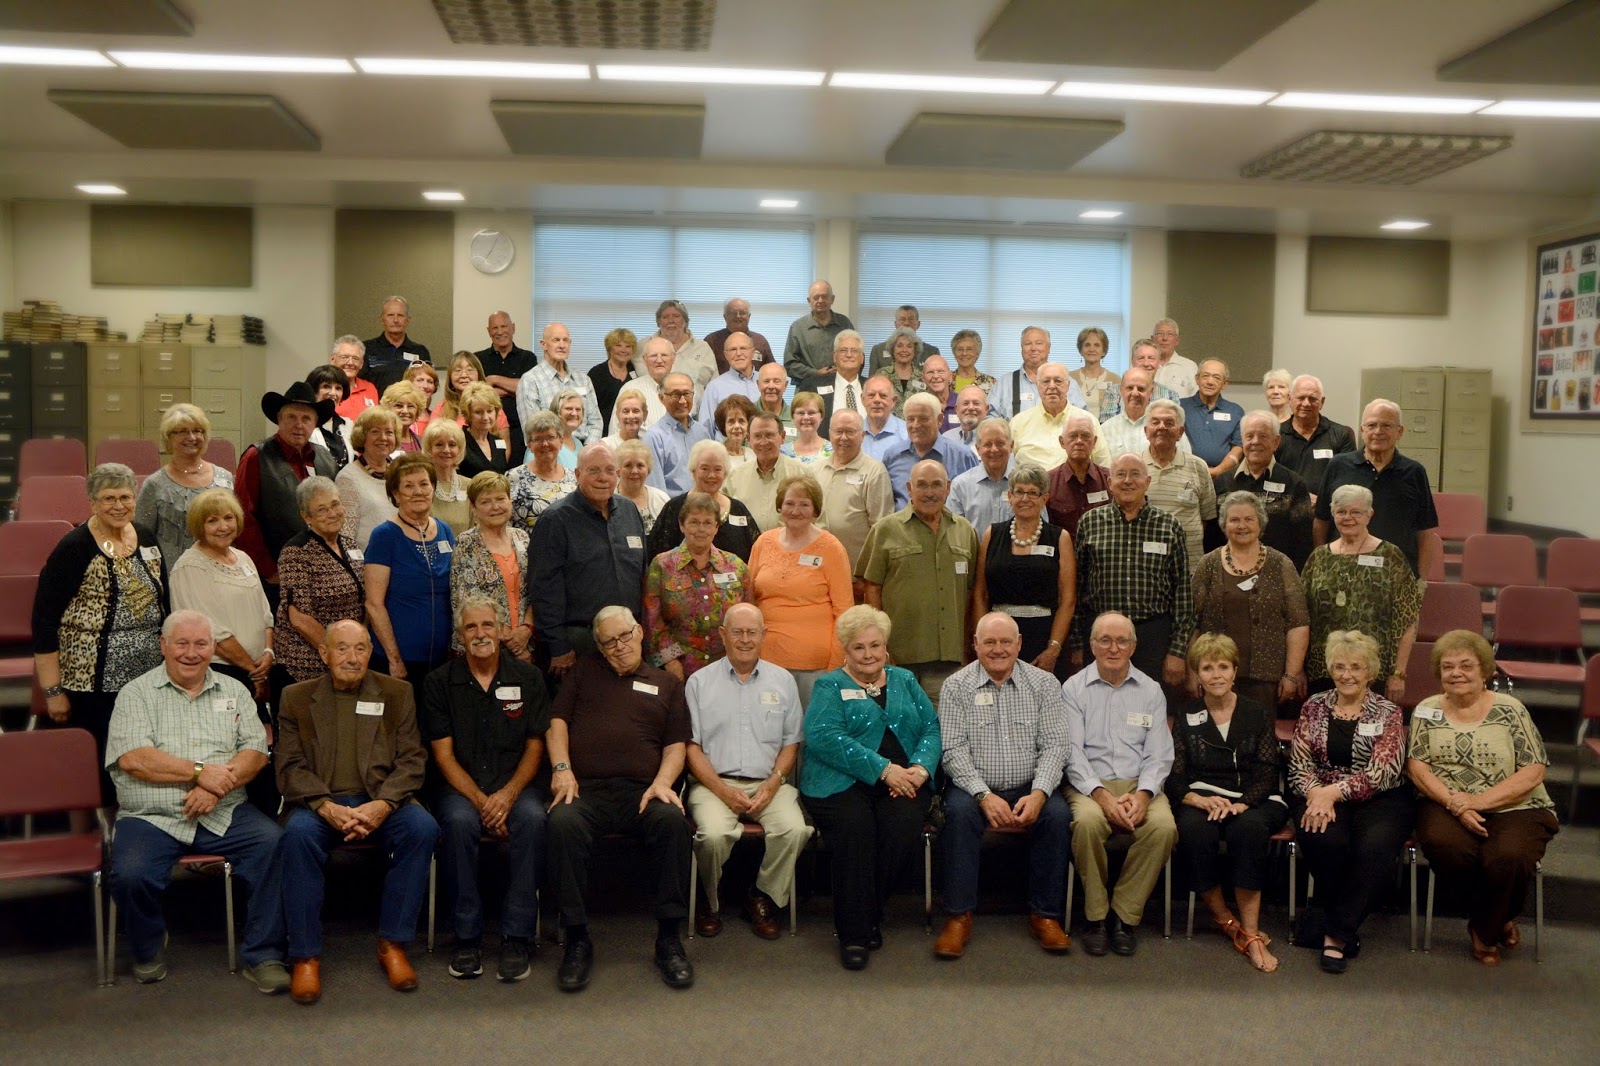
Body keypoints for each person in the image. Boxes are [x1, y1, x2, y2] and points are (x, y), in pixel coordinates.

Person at [105, 610, 287, 991]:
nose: (191, 653)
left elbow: (255, 751)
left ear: (212, 648)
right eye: (182, 643)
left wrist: (213, 786)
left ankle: (264, 954)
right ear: (163, 646)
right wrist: (199, 771)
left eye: (201, 644)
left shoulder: (234, 691)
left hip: (223, 809)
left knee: (274, 844)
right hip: (152, 815)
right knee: (131, 875)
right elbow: (134, 759)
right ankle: (149, 944)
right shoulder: (135, 694)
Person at [276, 620, 439, 1004]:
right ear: (324, 653)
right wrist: (325, 806)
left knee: (423, 828)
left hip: (381, 800)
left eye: (361, 649)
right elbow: (288, 766)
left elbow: (412, 760)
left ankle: (393, 944)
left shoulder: (397, 693)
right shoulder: (295, 698)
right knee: (295, 836)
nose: (352, 658)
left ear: (371, 652)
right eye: (343, 648)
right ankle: (305, 955)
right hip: (321, 804)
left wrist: (383, 804)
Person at [544, 606, 695, 991]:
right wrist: (562, 769)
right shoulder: (582, 675)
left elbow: (676, 744)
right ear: (599, 646)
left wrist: (663, 783)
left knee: (672, 821)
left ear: (640, 633)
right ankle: (576, 939)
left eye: (625, 636)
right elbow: (556, 723)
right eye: (610, 642)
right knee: (561, 823)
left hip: (644, 790)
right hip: (586, 789)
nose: (620, 646)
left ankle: (669, 939)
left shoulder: (667, 684)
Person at [1406, 629, 1559, 966]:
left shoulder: (1511, 709)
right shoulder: (1426, 710)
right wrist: (1454, 803)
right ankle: (1498, 917)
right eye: (1448, 667)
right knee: (1446, 845)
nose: (1456, 673)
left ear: (1485, 670)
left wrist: (1477, 801)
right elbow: (1417, 767)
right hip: (1444, 801)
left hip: (1516, 804)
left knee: (1509, 855)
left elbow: (1534, 769)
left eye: (1466, 666)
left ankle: (1483, 928)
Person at [801, 605, 940, 970]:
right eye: (859, 647)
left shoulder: (905, 680)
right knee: (855, 830)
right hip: (840, 782)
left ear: (886, 648)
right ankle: (855, 933)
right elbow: (823, 737)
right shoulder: (830, 685)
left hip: (904, 781)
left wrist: (920, 770)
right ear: (846, 650)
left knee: (901, 828)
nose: (868, 654)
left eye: (875, 645)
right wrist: (883, 770)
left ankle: (870, 909)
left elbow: (931, 728)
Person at [423, 595, 551, 982]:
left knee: (532, 818)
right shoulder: (438, 682)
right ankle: (467, 937)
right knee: (459, 823)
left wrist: (508, 795)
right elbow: (443, 757)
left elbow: (535, 745)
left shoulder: (529, 678)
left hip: (517, 786)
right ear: (460, 636)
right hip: (462, 790)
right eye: (471, 627)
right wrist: (483, 802)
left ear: (501, 630)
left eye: (488, 625)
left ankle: (517, 936)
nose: (480, 634)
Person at [932, 613, 1073, 960]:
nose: (998, 649)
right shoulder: (956, 686)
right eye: (990, 642)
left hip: (1031, 784)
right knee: (959, 814)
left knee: (1056, 816)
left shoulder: (1044, 684)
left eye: (1006, 641)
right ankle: (959, 916)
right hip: (974, 787)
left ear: (1020, 643)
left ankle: (1045, 915)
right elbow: (952, 750)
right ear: (975, 644)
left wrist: (1040, 793)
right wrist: (983, 795)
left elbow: (1056, 746)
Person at [34, 463, 169, 802]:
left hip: (146, 673)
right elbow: (44, 620)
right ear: (92, 502)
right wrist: (53, 691)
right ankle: (105, 827)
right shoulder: (74, 547)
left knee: (144, 751)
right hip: (91, 678)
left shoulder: (147, 537)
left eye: (125, 496)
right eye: (108, 498)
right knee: (102, 762)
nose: (118, 505)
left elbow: (164, 598)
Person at [684, 603, 810, 939]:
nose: (744, 639)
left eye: (752, 632)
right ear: (723, 636)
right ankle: (710, 901)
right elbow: (691, 747)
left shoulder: (783, 680)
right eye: (737, 632)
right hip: (714, 784)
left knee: (795, 830)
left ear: (763, 635)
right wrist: (723, 791)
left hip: (769, 783)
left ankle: (762, 896)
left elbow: (790, 744)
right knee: (711, 835)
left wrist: (774, 782)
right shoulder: (698, 683)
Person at [1288, 630, 1411, 975]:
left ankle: (1335, 934)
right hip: (1318, 793)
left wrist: (1333, 793)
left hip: (1380, 799)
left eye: (1356, 667)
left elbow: (1384, 771)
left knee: (1374, 847)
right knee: (1322, 838)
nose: (1347, 674)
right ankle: (1342, 919)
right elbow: (1299, 762)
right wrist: (1316, 793)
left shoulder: (1388, 711)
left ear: (1370, 672)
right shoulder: (1314, 705)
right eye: (1339, 666)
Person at [1060, 611, 1178, 958]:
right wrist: (1101, 795)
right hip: (1088, 784)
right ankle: (1095, 916)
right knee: (1087, 823)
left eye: (1122, 640)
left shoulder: (1151, 691)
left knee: (1163, 827)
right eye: (1105, 640)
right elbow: (1071, 753)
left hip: (1138, 783)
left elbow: (1160, 755)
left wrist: (1142, 796)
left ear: (1134, 646)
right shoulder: (1073, 689)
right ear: (1092, 645)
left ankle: (1122, 916)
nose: (1114, 648)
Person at [1169, 632, 1288, 973]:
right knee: (1194, 831)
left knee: (1248, 831)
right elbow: (1175, 774)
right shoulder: (1187, 713)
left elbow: (1268, 770)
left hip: (1254, 797)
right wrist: (1197, 799)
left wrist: (1241, 804)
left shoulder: (1255, 712)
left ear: (1235, 671)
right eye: (1208, 667)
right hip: (1202, 797)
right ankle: (1225, 919)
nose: (1216, 674)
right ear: (1197, 674)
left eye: (1223, 666)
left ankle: (1250, 933)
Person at [857, 459, 978, 706]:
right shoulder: (886, 529)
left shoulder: (965, 531)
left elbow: (971, 592)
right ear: (909, 489)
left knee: (944, 730)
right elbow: (870, 588)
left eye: (937, 485)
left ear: (948, 488)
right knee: (901, 729)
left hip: (949, 660)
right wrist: (879, 646)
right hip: (899, 657)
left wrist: (968, 647)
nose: (930, 492)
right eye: (922, 485)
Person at [168, 489, 276, 766]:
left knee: (261, 747)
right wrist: (253, 671)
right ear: (199, 526)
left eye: (228, 518)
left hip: (259, 670)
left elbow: (265, 615)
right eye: (212, 520)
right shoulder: (190, 567)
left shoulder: (244, 559)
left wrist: (267, 654)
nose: (223, 526)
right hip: (221, 672)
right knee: (227, 750)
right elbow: (211, 631)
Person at [1072, 454, 1192, 690]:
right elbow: (1077, 587)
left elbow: (1183, 595)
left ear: (1147, 482)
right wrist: (1077, 644)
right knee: (1100, 709)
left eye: (1135, 474)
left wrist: (1177, 652)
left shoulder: (1169, 526)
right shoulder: (1090, 523)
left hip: (1152, 638)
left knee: (1149, 712)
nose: (1128, 481)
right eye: (1120, 474)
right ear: (1109, 482)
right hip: (1100, 637)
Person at [527, 443, 647, 678]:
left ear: (618, 475)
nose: (603, 478)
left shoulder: (629, 511)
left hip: (627, 641)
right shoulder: (555, 520)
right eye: (593, 470)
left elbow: (641, 574)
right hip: (579, 643)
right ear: (577, 474)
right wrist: (558, 646)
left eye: (609, 470)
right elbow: (543, 589)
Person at [1191, 491, 1310, 711]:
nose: (1242, 525)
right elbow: (1192, 623)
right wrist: (1193, 673)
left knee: (1259, 739)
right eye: (1234, 520)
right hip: (1214, 676)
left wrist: (1292, 675)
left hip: (1266, 679)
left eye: (1248, 519)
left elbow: (1298, 622)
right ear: (1224, 525)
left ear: (1260, 523)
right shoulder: (1207, 565)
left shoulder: (1281, 564)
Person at [1301, 484, 1421, 698]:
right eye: (1341, 512)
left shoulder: (1391, 556)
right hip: (1323, 670)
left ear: (1369, 515)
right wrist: (1297, 669)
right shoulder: (1318, 558)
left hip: (1373, 671)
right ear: (1332, 514)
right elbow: (1301, 618)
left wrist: (1399, 674)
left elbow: (1408, 619)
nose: (1348, 518)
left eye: (1356, 512)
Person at [747, 474, 852, 704]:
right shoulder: (763, 543)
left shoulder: (831, 548)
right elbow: (749, 599)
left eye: (804, 504)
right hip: (765, 660)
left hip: (815, 664)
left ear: (815, 510)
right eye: (790, 503)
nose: (796, 510)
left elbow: (844, 611)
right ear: (780, 507)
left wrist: (835, 665)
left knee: (809, 734)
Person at [1313, 399, 1439, 578]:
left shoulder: (1414, 472)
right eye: (1371, 425)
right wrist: (1323, 564)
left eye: (1387, 425)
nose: (1378, 432)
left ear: (1400, 431)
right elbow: (1321, 522)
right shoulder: (1338, 465)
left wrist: (1421, 580)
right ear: (1362, 430)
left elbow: (1425, 531)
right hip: (1342, 573)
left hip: (1396, 576)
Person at [235, 382, 339, 591]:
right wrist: (269, 570)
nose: (299, 425)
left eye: (306, 418)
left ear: (315, 423)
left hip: (320, 574)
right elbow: (243, 517)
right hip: (274, 576)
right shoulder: (257, 456)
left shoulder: (326, 458)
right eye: (291, 417)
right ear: (279, 419)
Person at [971, 465, 1074, 675]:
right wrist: (982, 642)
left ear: (1045, 498)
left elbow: (1068, 599)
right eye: (1019, 492)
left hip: (1043, 639)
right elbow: (980, 593)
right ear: (1010, 496)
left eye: (1033, 493)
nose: (1025, 498)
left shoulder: (1060, 538)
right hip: (998, 641)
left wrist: (1053, 648)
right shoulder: (992, 534)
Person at [364, 453, 457, 683]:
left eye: (424, 484)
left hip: (441, 657)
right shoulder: (384, 536)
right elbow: (374, 605)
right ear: (395, 494)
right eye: (408, 486)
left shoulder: (445, 530)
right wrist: (394, 659)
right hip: (399, 661)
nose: (418, 492)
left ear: (433, 488)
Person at [644, 491, 751, 679]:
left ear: (716, 527)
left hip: (727, 667)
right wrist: (671, 662)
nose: (701, 529)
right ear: (682, 525)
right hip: (679, 669)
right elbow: (653, 621)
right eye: (694, 522)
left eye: (708, 522)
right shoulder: (661, 565)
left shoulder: (736, 566)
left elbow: (748, 615)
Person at [273, 477, 364, 686]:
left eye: (335, 504)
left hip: (348, 660)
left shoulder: (350, 545)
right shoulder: (296, 552)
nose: (332, 513)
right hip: (307, 667)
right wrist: (336, 653)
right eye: (321, 510)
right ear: (307, 517)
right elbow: (299, 619)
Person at [135, 402, 236, 568]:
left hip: (221, 570)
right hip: (173, 574)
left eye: (197, 431)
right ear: (168, 438)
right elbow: (142, 539)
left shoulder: (225, 478)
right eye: (182, 431)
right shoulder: (154, 484)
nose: (192, 437)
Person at [448, 471, 532, 661]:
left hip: (527, 642)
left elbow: (536, 590)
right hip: (483, 646)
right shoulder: (466, 542)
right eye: (485, 502)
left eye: (501, 499)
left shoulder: (522, 538)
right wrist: (510, 639)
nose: (495, 507)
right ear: (473, 507)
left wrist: (526, 630)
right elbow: (465, 601)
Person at [1214, 410, 1314, 568]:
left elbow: (1303, 543)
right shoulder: (1223, 482)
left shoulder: (1293, 484)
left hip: (1278, 575)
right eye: (1249, 436)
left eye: (1263, 436)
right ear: (1242, 440)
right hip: (1231, 574)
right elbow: (1215, 537)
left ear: (1276, 442)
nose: (1255, 442)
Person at [648, 440, 760, 562]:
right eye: (704, 468)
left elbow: (756, 552)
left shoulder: (738, 509)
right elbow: (656, 556)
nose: (711, 475)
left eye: (717, 469)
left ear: (725, 473)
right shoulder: (674, 508)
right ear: (693, 470)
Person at [1141, 398, 1218, 575]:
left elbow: (1207, 518)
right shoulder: (1135, 468)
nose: (1162, 427)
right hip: (1145, 568)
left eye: (1169, 423)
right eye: (1155, 422)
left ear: (1180, 432)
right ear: (1146, 431)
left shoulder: (1198, 467)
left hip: (1189, 567)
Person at [815, 407, 895, 572]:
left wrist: (869, 573)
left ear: (862, 436)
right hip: (817, 568)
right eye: (838, 431)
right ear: (830, 434)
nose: (843, 437)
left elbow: (881, 529)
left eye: (850, 432)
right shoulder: (814, 470)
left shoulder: (875, 471)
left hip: (856, 572)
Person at [882, 393, 979, 509]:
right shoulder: (892, 456)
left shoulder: (963, 457)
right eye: (911, 419)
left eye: (923, 419)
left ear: (939, 420)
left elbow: (974, 503)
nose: (916, 425)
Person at [515, 322, 602, 452]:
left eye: (565, 340)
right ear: (543, 344)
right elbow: (532, 429)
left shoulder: (583, 380)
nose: (562, 345)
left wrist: (586, 451)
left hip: (584, 450)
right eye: (556, 340)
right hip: (548, 452)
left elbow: (596, 421)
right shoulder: (530, 380)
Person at [1010, 362, 1109, 471]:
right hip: (1032, 487)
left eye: (1058, 381)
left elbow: (1104, 468)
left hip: (1075, 487)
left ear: (1068, 386)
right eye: (1046, 381)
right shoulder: (1018, 423)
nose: (1052, 386)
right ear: (1037, 385)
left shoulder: (1088, 421)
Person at [1275, 374, 1356, 500]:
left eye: (1312, 399)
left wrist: (1321, 504)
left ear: (1322, 401)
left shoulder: (1342, 434)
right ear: (1290, 399)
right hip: (1285, 511)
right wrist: (1302, 499)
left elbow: (1347, 480)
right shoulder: (1275, 435)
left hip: (1328, 513)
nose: (1306, 404)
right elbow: (1269, 478)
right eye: (1300, 398)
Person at [725, 411, 804, 532]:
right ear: (748, 439)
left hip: (790, 549)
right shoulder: (734, 477)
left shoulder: (802, 475)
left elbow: (818, 521)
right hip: (747, 549)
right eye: (757, 436)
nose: (763, 442)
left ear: (782, 437)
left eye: (769, 435)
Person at [336, 405, 401, 550]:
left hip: (403, 560)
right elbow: (346, 537)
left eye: (389, 432)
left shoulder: (401, 473)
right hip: (368, 562)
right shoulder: (348, 478)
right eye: (375, 432)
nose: (383, 438)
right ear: (362, 436)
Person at [476, 311, 536, 464]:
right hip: (487, 429)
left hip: (519, 431)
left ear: (513, 328)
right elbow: (478, 393)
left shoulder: (527, 358)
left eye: (504, 326)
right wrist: (513, 389)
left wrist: (494, 379)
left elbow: (527, 389)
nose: (500, 332)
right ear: (488, 331)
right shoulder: (478, 359)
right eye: (495, 328)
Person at [1100, 361, 1193, 459]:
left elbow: (1187, 461)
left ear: (1151, 392)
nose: (1135, 393)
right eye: (1130, 388)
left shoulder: (1167, 428)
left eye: (1141, 389)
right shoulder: (1106, 429)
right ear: (1121, 390)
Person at [990, 326, 1086, 418]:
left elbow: (1082, 417)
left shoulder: (1067, 382)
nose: (1033, 348)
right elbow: (989, 418)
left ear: (1049, 347)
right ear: (1021, 348)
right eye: (1028, 344)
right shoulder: (1004, 383)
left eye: (1039, 343)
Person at [1045, 412, 1112, 539]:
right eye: (1073, 436)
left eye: (1085, 436)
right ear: (1062, 442)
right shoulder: (1048, 483)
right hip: (1063, 556)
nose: (1079, 441)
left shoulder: (1110, 480)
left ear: (1094, 442)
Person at [644, 371, 713, 494]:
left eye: (686, 394)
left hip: (704, 506)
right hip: (673, 510)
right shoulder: (654, 437)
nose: (682, 401)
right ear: (661, 398)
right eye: (675, 395)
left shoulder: (702, 433)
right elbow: (655, 489)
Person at [508, 410, 577, 531]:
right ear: (529, 444)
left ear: (561, 441)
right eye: (538, 439)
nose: (545, 444)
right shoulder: (513, 477)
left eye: (550, 437)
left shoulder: (573, 478)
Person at [795, 329, 870, 433]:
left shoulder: (871, 387)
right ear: (835, 357)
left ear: (862, 358)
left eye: (854, 350)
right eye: (843, 350)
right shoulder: (812, 386)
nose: (849, 355)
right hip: (826, 447)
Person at [948, 417, 1016, 533]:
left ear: (1011, 446)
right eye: (988, 445)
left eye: (1000, 443)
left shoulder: (1026, 483)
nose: (994, 449)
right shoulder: (961, 485)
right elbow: (952, 531)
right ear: (978, 449)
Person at [1180, 359, 1244, 477]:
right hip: (1185, 475)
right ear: (1197, 379)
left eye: (1216, 378)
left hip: (1223, 477)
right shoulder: (1180, 407)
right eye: (1205, 376)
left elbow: (1238, 448)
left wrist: (1218, 471)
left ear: (1225, 383)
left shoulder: (1235, 411)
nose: (1210, 381)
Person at [784, 279, 856, 382]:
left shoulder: (845, 324)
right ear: (809, 301)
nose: (821, 300)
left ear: (832, 299)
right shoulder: (798, 328)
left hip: (840, 386)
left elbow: (857, 356)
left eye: (825, 296)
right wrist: (815, 373)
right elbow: (789, 365)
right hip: (808, 389)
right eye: (816, 297)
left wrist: (844, 371)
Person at [363, 294, 431, 395]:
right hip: (376, 409)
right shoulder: (366, 349)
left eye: (400, 315)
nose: (395, 320)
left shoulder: (420, 351)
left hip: (409, 408)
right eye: (390, 315)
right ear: (382, 320)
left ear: (408, 320)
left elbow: (428, 386)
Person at [645, 298, 716, 394]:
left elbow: (715, 385)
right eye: (665, 317)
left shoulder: (703, 348)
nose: (671, 320)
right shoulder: (643, 346)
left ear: (685, 321)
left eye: (676, 316)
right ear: (658, 322)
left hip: (694, 407)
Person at [611, 336, 676, 432]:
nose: (659, 360)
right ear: (644, 360)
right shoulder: (630, 389)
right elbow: (615, 430)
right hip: (638, 446)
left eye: (664, 355)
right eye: (653, 356)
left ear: (673, 358)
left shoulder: (687, 390)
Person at [698, 331, 761, 428]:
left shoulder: (766, 382)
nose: (738, 353)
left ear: (752, 352)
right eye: (733, 349)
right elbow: (705, 428)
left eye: (743, 348)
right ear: (726, 355)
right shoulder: (714, 387)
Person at [424, 418, 472, 536]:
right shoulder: (422, 486)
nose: (446, 450)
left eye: (452, 445)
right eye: (439, 445)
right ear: (429, 449)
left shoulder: (470, 485)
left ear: (459, 449)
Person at [589, 326, 640, 437]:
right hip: (603, 433)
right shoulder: (597, 373)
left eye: (628, 346)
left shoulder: (636, 371)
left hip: (631, 432)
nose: (623, 350)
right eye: (618, 345)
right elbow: (589, 408)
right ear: (609, 348)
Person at [456, 380, 512, 480]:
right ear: (468, 414)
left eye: (490, 411)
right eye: (478, 412)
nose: (485, 417)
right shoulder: (459, 442)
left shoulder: (498, 442)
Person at [616, 439, 672, 535]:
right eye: (628, 465)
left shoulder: (662, 499)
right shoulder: (607, 500)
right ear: (618, 471)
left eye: (640, 465)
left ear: (648, 470)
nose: (634, 471)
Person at [704, 296, 775, 372]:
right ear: (725, 317)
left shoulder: (760, 341)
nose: (738, 316)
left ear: (749, 316)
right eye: (732, 313)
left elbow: (771, 370)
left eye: (742, 313)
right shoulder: (711, 340)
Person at [305, 364, 353, 470]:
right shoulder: (304, 426)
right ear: (314, 391)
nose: (333, 393)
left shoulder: (348, 425)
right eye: (326, 386)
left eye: (338, 388)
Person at [868, 305, 939, 373]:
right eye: (902, 320)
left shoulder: (932, 352)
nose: (906, 323)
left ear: (918, 324)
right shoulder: (878, 350)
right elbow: (871, 381)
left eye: (911, 320)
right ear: (895, 324)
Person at [1070, 327, 1120, 422]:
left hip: (1105, 432)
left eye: (1097, 345)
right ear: (1080, 350)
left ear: (1104, 351)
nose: (1091, 349)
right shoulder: (1069, 378)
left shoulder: (1115, 380)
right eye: (1087, 345)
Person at [860, 373, 909, 462]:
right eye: (871, 395)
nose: (877, 400)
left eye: (883, 396)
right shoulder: (852, 434)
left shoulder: (907, 434)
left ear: (893, 401)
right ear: (863, 399)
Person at [601, 389, 653, 471]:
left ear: (645, 415)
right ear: (618, 415)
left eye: (636, 411)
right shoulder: (605, 446)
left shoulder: (650, 444)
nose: (631, 416)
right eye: (626, 411)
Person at [330, 334, 379, 421]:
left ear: (361, 363)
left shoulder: (370, 388)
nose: (350, 363)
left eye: (355, 358)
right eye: (344, 357)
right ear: (333, 360)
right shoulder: (325, 388)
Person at [879, 327, 927, 416]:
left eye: (909, 346)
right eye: (899, 346)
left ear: (915, 351)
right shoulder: (882, 375)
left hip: (915, 426)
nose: (904, 350)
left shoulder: (922, 378)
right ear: (893, 349)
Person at [1149, 317, 1198, 399]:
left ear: (1177, 340)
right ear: (1152, 339)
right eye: (1160, 334)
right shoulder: (1144, 364)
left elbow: (1196, 399)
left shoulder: (1189, 366)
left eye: (1170, 334)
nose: (1164, 338)